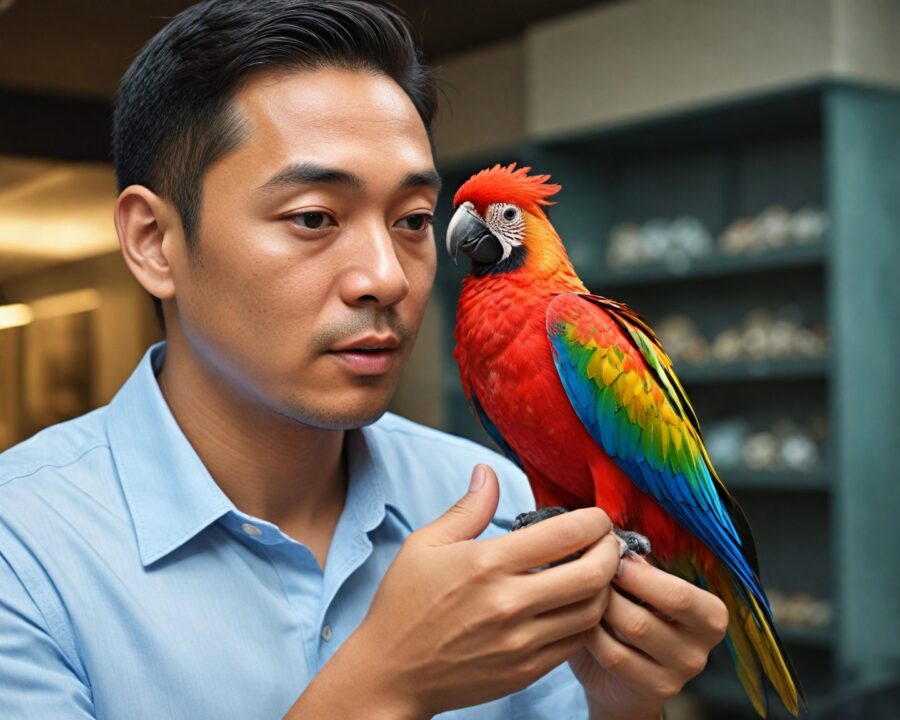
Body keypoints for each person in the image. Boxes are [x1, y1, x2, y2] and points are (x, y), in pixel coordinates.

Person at [0, 2, 728, 718]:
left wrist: (624, 705)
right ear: (155, 242)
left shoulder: (505, 503)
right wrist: (386, 688)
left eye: (413, 221)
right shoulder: (22, 550)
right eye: (314, 217)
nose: (387, 276)